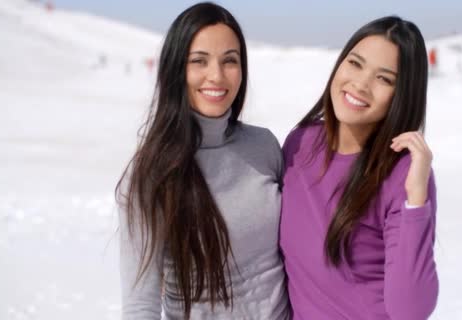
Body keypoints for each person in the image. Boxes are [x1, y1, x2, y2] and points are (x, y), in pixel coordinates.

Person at [116, 3, 289, 319]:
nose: (217, 75)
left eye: (230, 61)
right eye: (199, 61)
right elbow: (141, 305)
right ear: (175, 70)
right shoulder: (151, 175)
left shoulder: (264, 145)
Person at [280, 16, 438, 319]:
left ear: (402, 95)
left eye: (384, 79)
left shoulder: (401, 174)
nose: (361, 84)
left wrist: (416, 200)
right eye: (355, 63)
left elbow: (410, 311)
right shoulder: (301, 142)